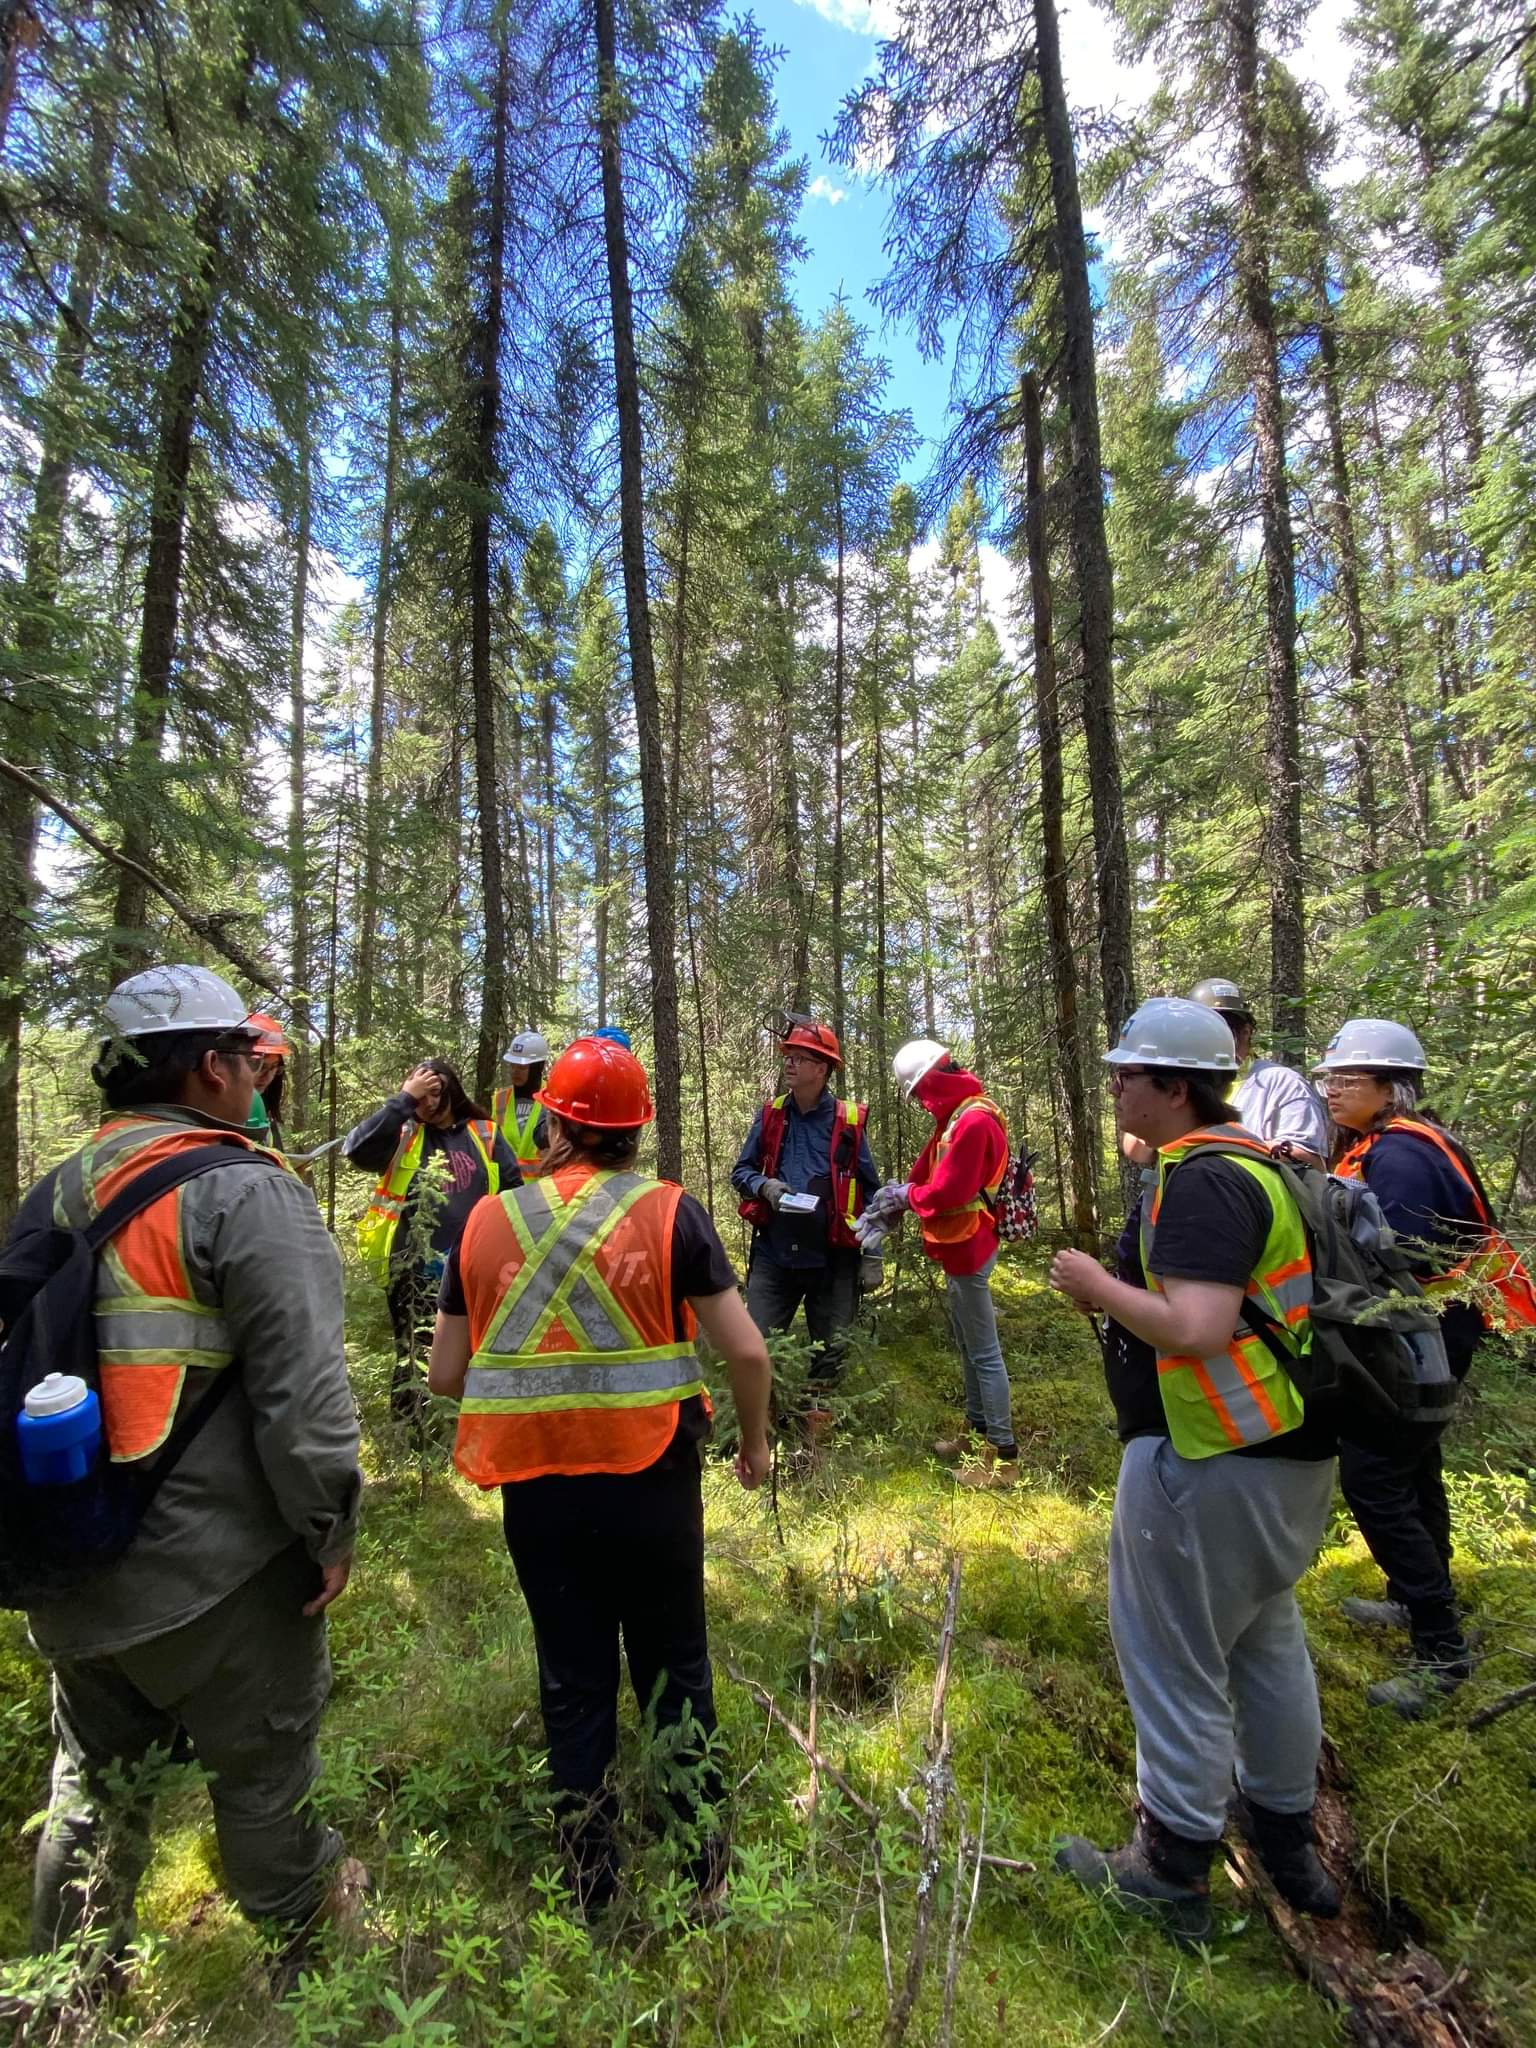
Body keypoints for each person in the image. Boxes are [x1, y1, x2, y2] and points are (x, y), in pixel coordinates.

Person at [8, 964, 365, 1979]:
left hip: (70, 1557)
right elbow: (305, 1401)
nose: (261, 1077)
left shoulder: (61, 1183)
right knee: (263, 1777)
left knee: (93, 1792)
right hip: (218, 1572)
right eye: (250, 1060)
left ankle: (61, 1996)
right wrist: (329, 1531)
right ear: (210, 1067)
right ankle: (313, 1973)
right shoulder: (247, 1190)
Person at [428, 1037, 772, 1916]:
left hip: (538, 1489)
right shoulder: (672, 1212)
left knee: (572, 1678)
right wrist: (756, 1448)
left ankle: (589, 1887)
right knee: (676, 1668)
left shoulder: (487, 1221)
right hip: (654, 1482)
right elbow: (745, 1351)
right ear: (634, 1132)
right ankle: (703, 1878)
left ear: (553, 1122)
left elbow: (443, 1374)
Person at [1047, 997, 1339, 1942]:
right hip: (1277, 1457)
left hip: (1211, 1458)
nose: (1119, 1085)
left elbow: (1199, 1329)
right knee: (1264, 1641)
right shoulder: (1253, 1167)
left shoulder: (1205, 1181)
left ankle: (1171, 1862)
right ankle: (1286, 1837)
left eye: (1130, 1073)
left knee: (1170, 1652)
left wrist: (1096, 1286)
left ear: (1174, 1087)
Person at [1316, 1017, 1536, 1715]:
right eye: (1330, 1077)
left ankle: (1442, 1650)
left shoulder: (1403, 1157)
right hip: (1428, 1330)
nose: (1332, 1089)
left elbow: (1403, 1256)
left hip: (1424, 1335)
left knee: (1375, 1477)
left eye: (1346, 1079)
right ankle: (1414, 1599)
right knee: (1413, 1465)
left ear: (1390, 1088)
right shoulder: (1392, 1144)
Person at [860, 1039, 1019, 1488]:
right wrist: (896, 1201)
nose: (923, 1103)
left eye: (921, 1093)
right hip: (958, 1246)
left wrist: (904, 1198)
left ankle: (1004, 1458)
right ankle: (976, 1431)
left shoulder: (974, 1122)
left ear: (933, 1080)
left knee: (985, 1353)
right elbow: (923, 1173)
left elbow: (948, 1190)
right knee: (970, 1346)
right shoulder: (954, 1119)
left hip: (971, 1247)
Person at [344, 1060, 520, 1414]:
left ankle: (466, 1422)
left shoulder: (483, 1133)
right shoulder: (405, 1134)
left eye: (434, 1093)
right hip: (412, 1270)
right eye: (420, 1096)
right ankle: (414, 1433)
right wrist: (403, 1101)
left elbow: (514, 1192)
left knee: (476, 1351)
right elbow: (356, 1150)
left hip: (476, 1269)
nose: (427, 1103)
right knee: (412, 1355)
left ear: (452, 1090)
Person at [730, 1017, 883, 1397]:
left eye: (800, 1058)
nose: (790, 1064)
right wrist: (764, 1186)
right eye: (788, 1057)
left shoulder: (848, 1120)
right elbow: (741, 1171)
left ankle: (818, 1433)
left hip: (833, 1256)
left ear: (823, 1068)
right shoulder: (770, 1115)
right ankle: (759, 1425)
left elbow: (871, 1191)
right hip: (775, 1252)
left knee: (831, 1352)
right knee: (756, 1344)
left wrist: (873, 1254)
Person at [1188, 978, 1327, 1167]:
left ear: (1245, 1032)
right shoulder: (1185, 1082)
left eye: (1221, 1030)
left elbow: (1309, 1158)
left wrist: (1224, 1146)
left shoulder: (1282, 1082)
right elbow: (1138, 1150)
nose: (1209, 1040)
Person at [492, 1030, 552, 1176]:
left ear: (538, 1067)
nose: (515, 1072)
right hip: (506, 1189)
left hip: (541, 1190)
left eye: (522, 1067)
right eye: (512, 1066)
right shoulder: (499, 1098)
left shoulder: (553, 1097)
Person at [243, 1012, 293, 1151]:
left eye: (274, 1067)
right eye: (261, 1066)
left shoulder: (266, 1110)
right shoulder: (222, 1111)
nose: (268, 1076)